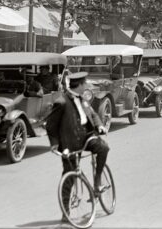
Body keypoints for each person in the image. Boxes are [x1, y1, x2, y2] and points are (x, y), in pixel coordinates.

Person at [46, 72, 109, 218]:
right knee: (69, 176)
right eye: (85, 84)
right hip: (70, 143)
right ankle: (65, 212)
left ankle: (97, 182)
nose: (87, 86)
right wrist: (54, 144)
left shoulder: (83, 98)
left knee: (103, 148)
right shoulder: (61, 102)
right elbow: (50, 125)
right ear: (79, 85)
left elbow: (92, 114)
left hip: (87, 137)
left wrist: (99, 126)